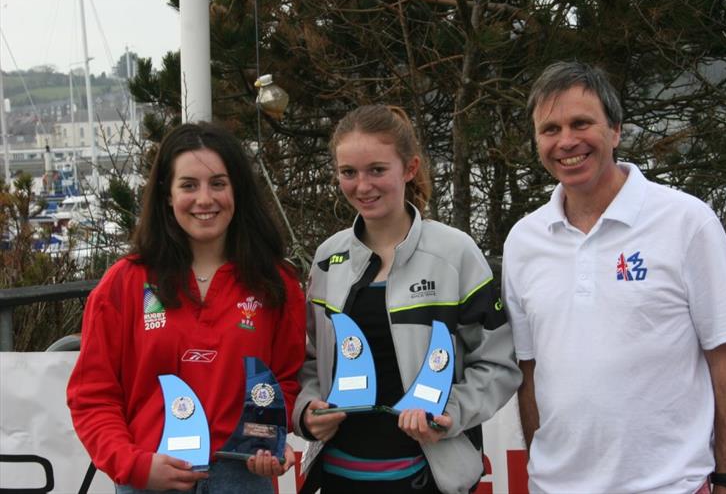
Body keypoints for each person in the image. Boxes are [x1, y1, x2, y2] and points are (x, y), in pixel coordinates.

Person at [502, 61, 726, 494]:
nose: (566, 142)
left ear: (615, 130)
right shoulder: (524, 241)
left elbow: (725, 357)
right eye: (550, 129)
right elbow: (531, 369)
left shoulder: (686, 222)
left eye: (582, 123)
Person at [293, 105, 521, 494]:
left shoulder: (455, 253)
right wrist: (307, 410)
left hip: (428, 477)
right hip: (339, 477)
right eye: (349, 172)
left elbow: (498, 363)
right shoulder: (328, 259)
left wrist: (449, 412)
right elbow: (311, 362)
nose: (362, 186)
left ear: (410, 168)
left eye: (377, 170)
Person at [66, 122, 306, 493]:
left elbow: (285, 383)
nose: (204, 199)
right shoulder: (124, 283)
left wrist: (266, 440)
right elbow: (93, 395)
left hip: (242, 479)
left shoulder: (276, 283)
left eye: (218, 184)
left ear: (237, 190)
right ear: (167, 194)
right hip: (150, 479)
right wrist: (133, 464)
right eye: (189, 185)